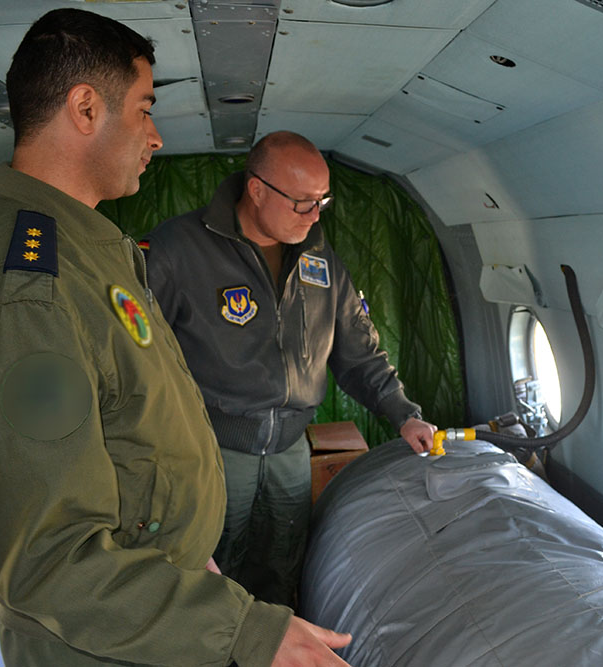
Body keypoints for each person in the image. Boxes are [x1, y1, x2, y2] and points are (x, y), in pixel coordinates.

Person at [0, 9, 350, 667]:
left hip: (151, 601)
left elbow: (129, 425)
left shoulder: (87, 248)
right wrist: (244, 631)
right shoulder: (28, 295)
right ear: (85, 108)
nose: (155, 136)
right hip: (105, 640)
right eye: (145, 109)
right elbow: (49, 558)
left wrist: (188, 551)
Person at [141, 131, 438, 606]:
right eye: (302, 202)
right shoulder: (178, 249)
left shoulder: (320, 261)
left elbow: (360, 354)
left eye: (322, 201)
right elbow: (136, 353)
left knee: (281, 569)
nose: (315, 215)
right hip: (212, 450)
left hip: (289, 453)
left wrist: (404, 414)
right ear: (257, 190)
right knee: (210, 572)